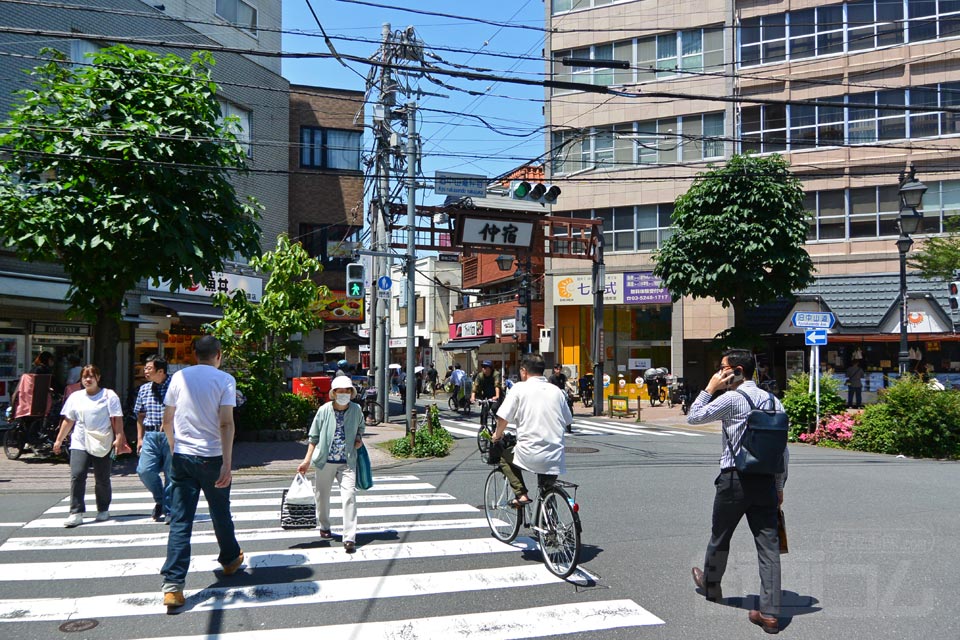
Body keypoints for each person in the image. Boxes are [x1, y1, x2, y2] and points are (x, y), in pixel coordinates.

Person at [687, 349, 789, 635]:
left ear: (738, 371)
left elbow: (693, 417)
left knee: (721, 536)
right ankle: (770, 614)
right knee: (768, 547)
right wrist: (779, 487)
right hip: (766, 481)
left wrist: (710, 388)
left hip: (734, 479)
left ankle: (711, 585)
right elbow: (782, 451)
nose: (720, 373)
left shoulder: (732, 399)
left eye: (723, 368)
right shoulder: (774, 402)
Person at [160, 335, 242, 610]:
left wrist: (175, 450)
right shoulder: (224, 380)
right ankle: (230, 560)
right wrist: (228, 464)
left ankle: (173, 586)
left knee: (181, 520)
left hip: (182, 457)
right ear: (219, 354)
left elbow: (167, 420)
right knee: (220, 511)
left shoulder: (179, 377)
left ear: (195, 354)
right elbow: (226, 424)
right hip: (212, 457)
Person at [491, 353, 572, 507]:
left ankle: (521, 494)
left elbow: (503, 418)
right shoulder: (556, 391)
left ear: (523, 371)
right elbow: (568, 420)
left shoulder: (519, 388)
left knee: (505, 458)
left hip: (529, 453)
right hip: (555, 454)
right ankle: (551, 525)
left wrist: (496, 435)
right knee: (547, 489)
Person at [53, 364, 127, 527]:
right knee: (77, 475)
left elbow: (117, 418)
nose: (87, 379)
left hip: (102, 440)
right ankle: (76, 512)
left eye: (91, 376)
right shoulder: (75, 397)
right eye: (85, 376)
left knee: (102, 478)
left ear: (98, 378)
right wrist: (59, 440)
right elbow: (68, 420)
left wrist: (119, 437)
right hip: (80, 440)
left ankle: (103, 509)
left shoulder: (109, 395)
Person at [297, 376, 364, 554]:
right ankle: (324, 525)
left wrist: (358, 439)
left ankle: (349, 537)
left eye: (347, 391)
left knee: (349, 496)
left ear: (351, 392)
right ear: (333, 393)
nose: (344, 394)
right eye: (340, 391)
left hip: (347, 462)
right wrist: (306, 460)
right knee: (322, 497)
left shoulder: (356, 409)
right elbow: (314, 437)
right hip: (325, 462)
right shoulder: (324, 410)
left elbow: (361, 427)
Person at [135, 355, 172, 523]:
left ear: (161, 371)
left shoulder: (176, 386)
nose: (145, 371)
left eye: (149, 368)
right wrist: (140, 438)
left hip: (172, 435)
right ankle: (161, 500)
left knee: (171, 474)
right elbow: (140, 415)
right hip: (150, 435)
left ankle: (170, 509)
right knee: (144, 470)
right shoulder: (144, 389)